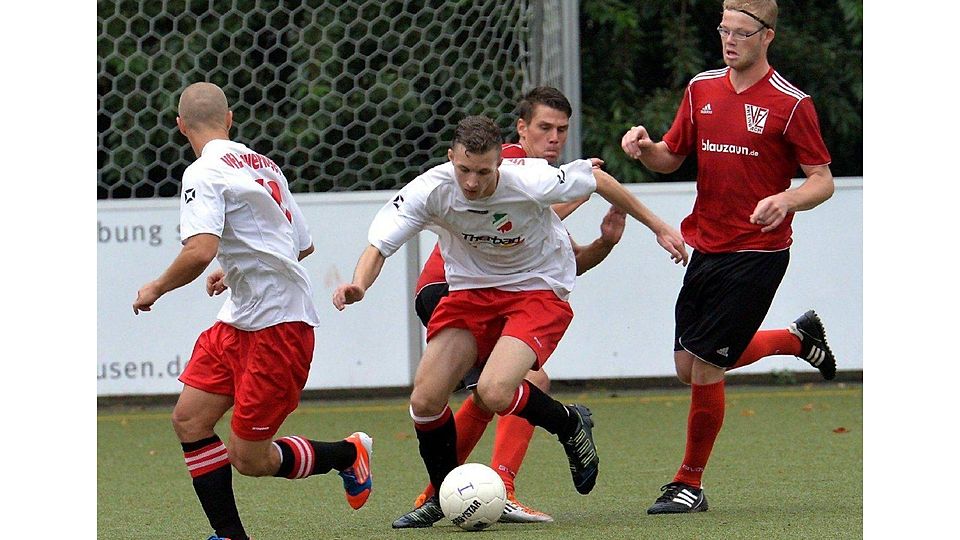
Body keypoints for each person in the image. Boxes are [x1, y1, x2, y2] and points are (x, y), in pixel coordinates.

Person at [333, 115, 688, 527]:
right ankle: (445, 493)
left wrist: (660, 227)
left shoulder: (530, 179)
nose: (471, 182)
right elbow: (378, 246)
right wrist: (359, 284)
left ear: (500, 163)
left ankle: (569, 425)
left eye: (483, 172)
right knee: (425, 400)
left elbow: (597, 179)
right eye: (464, 169)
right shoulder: (431, 189)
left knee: (496, 390)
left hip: (536, 289)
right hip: (469, 293)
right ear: (451, 158)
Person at [619, 0, 838, 515]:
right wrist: (645, 147)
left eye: (741, 32)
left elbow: (822, 180)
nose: (730, 40)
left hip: (758, 253)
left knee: (705, 370)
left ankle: (689, 484)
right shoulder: (701, 89)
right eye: (724, 30)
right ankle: (795, 338)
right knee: (685, 365)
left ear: (767, 36)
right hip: (707, 247)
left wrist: (786, 199)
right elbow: (672, 156)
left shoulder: (791, 103)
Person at [132, 82, 373, 540]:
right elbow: (302, 245)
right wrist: (235, 265)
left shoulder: (202, 173)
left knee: (250, 460)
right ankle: (229, 536)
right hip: (239, 319)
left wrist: (157, 287)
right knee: (189, 419)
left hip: (278, 328)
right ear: (230, 119)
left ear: (181, 126)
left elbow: (199, 250)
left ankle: (348, 454)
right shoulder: (265, 165)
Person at [400, 86, 627, 527]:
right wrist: (581, 191)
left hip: (493, 293)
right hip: (453, 291)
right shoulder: (498, 162)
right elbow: (506, 225)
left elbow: (563, 263)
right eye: (544, 128)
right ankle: (493, 488)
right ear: (520, 129)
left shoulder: (543, 183)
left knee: (497, 390)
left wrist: (606, 242)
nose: (554, 139)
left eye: (562, 130)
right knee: (523, 381)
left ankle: (442, 494)